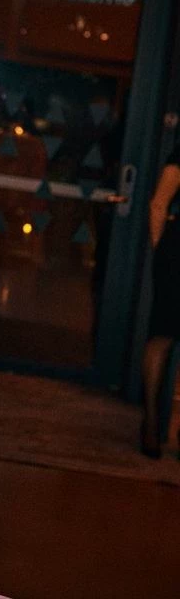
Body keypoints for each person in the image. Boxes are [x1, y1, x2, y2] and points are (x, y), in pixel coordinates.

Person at [141, 142, 180, 458]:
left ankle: (156, 426)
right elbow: (158, 204)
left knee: (162, 337)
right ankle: (152, 423)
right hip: (177, 255)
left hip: (173, 254)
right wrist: (162, 253)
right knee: (163, 336)